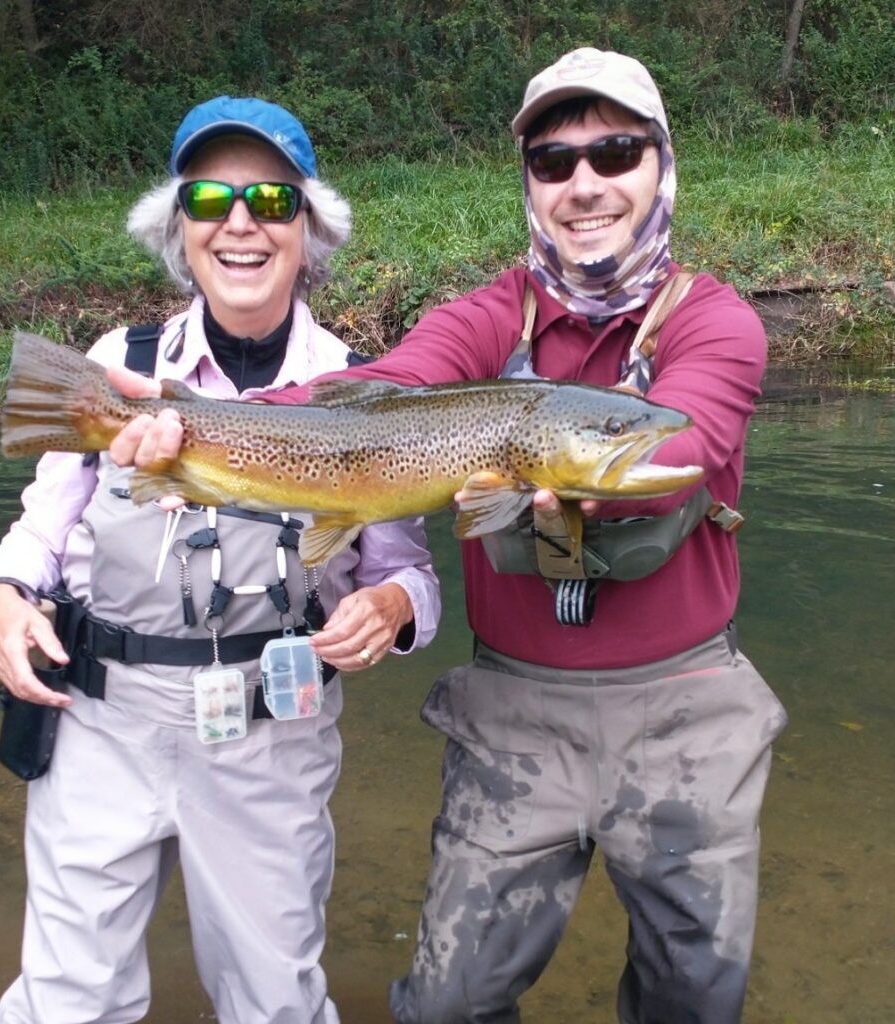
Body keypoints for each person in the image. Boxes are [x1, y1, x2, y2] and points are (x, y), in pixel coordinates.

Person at [109, 50, 788, 1024]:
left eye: (616, 152)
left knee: (694, 999)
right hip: (512, 706)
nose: (585, 182)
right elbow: (375, 389)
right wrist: (196, 420)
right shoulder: (485, 317)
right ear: (529, 184)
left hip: (686, 702)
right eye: (554, 162)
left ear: (660, 167)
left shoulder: (715, 323)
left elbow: (683, 451)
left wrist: (553, 466)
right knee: (446, 1004)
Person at [0, 95, 440, 1024]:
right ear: (176, 226)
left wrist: (389, 606)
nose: (240, 224)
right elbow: (38, 533)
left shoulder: (364, 389)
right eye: (209, 200)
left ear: (309, 227)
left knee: (275, 1004)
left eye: (270, 199)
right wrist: (5, 601)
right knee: (66, 1003)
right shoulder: (119, 364)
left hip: (271, 735)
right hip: (99, 722)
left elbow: (408, 567)